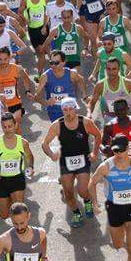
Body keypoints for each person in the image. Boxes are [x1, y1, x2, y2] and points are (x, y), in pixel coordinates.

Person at [41, 97, 101, 227]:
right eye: (65, 110)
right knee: (68, 192)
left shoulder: (85, 122)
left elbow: (98, 135)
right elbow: (45, 143)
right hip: (66, 162)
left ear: (75, 108)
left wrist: (95, 153)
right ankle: (76, 213)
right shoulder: (57, 125)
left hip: (83, 160)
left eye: (71, 109)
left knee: (82, 190)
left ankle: (87, 201)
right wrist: (51, 155)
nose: (68, 113)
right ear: (62, 110)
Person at [0, 111, 34, 219]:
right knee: (4, 215)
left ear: (15, 125)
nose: (7, 129)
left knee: (18, 211)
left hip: (17, 179)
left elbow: (29, 156)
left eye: (10, 126)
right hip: (1, 180)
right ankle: (8, 200)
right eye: (4, 127)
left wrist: (30, 166)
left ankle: (19, 230)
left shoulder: (23, 142)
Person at [34, 50, 86, 123]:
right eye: (51, 63)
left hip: (70, 110)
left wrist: (84, 95)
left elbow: (81, 80)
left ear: (64, 62)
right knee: (59, 132)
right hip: (55, 112)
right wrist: (46, 103)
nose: (53, 65)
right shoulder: (45, 76)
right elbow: (36, 96)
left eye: (56, 63)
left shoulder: (72, 74)